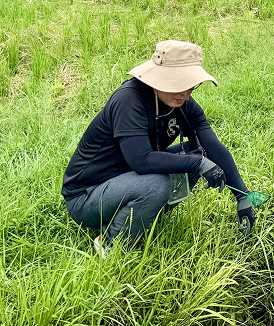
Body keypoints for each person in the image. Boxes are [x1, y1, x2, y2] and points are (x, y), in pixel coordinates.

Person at [62, 41, 254, 255]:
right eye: (179, 83)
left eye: (191, 85)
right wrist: (199, 163)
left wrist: (242, 196)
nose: (186, 93)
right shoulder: (129, 100)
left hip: (127, 180)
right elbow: (141, 160)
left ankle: (146, 219)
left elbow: (213, 148)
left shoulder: (182, 104)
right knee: (160, 183)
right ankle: (109, 244)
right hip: (86, 195)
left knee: (195, 154)